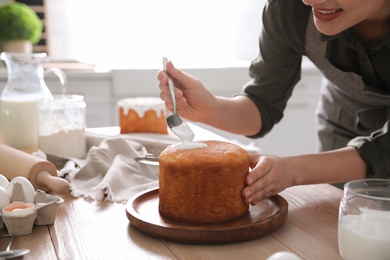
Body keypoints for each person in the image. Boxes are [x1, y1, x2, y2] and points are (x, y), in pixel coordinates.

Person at [157, 0, 390, 205]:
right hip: (344, 121)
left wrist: (292, 171)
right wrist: (210, 109)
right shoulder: (288, 8)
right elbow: (262, 105)